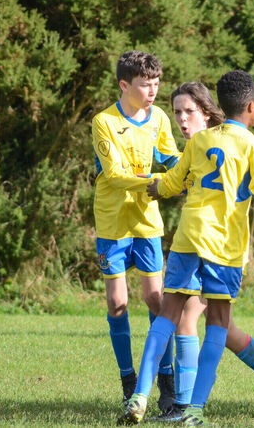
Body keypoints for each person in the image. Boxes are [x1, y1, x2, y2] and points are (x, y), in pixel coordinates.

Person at [117, 70, 254, 426]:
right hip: (224, 246)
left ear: (215, 107)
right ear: (252, 106)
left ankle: (139, 397)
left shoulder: (200, 141)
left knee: (168, 315)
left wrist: (155, 189)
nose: (181, 119)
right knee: (219, 325)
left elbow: (172, 183)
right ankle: (193, 409)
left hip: (188, 238)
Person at [92, 50, 179, 412]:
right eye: (145, 85)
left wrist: (191, 169)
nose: (153, 91)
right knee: (117, 304)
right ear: (125, 85)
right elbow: (112, 175)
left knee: (157, 301)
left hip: (146, 221)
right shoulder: (103, 122)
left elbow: (173, 157)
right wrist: (158, 181)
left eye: (157, 83)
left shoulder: (159, 118)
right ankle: (129, 381)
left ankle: (167, 383)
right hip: (112, 222)